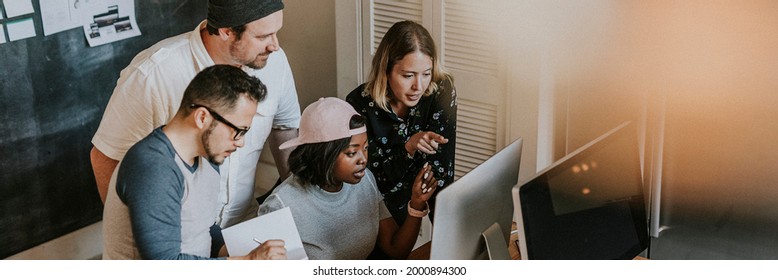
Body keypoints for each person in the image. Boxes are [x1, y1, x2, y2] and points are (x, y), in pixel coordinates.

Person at [90, 0, 300, 230]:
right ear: (226, 31)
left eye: (276, 33)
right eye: (263, 37)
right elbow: (105, 158)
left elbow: (285, 129)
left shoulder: (274, 63)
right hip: (178, 234)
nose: (275, 46)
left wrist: (298, 202)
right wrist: (141, 233)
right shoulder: (153, 75)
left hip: (244, 224)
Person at [102, 65, 287, 260]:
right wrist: (248, 261)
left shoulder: (207, 157)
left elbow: (202, 232)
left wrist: (247, 253)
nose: (240, 142)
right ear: (202, 118)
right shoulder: (153, 167)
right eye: (238, 131)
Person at [258, 98, 437, 260]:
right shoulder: (280, 206)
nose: (363, 159)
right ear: (322, 154)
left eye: (365, 148)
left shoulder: (365, 180)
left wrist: (417, 204)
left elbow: (395, 248)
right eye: (351, 153)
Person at [346, 20, 457, 225]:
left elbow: (441, 173)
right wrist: (409, 147)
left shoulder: (441, 89)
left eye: (426, 73)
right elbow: (373, 183)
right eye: (408, 75)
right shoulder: (358, 104)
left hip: (420, 200)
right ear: (386, 70)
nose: (418, 86)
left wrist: (447, 235)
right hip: (378, 214)